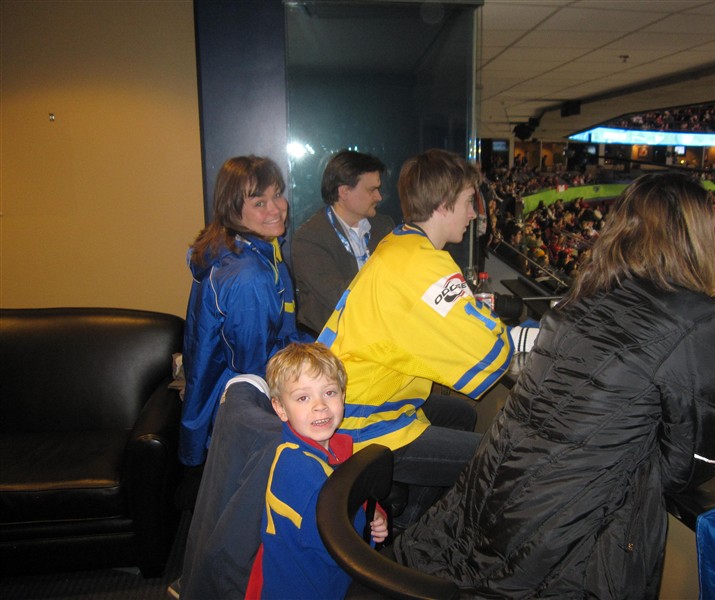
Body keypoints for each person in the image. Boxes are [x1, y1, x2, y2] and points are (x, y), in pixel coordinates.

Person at [392, 172, 715, 598]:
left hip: (490, 502)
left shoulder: (583, 298)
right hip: (568, 539)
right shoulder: (702, 322)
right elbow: (696, 461)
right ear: (698, 235)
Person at [319, 149, 538, 528]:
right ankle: (412, 539)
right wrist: (537, 338)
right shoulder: (423, 263)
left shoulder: (400, 242)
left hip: (359, 398)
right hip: (363, 423)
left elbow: (447, 315)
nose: (474, 214)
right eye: (468, 202)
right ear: (443, 205)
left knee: (463, 414)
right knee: (501, 460)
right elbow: (488, 349)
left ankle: (413, 518)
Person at [179, 155, 309, 467]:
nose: (276, 208)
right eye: (259, 202)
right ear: (233, 209)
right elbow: (255, 367)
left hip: (221, 400)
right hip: (237, 414)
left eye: (277, 194)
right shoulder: (248, 275)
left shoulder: (245, 248)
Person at [245, 343, 388, 599]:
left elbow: (349, 496)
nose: (320, 406)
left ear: (343, 397)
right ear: (280, 408)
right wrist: (369, 530)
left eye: (329, 392)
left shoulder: (326, 447)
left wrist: (373, 510)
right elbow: (346, 550)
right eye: (303, 398)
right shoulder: (301, 474)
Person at [292, 150, 394, 334]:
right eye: (372, 190)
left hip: (380, 335)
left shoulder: (384, 226)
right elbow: (339, 296)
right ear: (344, 192)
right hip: (331, 342)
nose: (379, 197)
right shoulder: (309, 238)